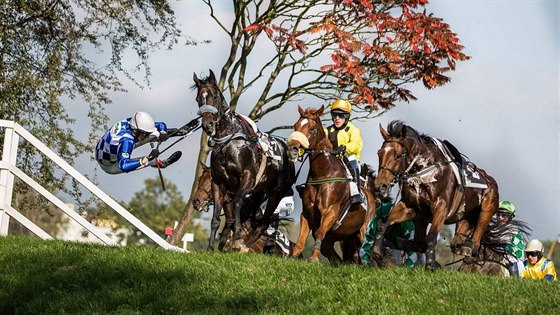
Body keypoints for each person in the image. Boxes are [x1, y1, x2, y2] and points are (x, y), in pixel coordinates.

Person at [95, 111, 196, 174]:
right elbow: (124, 166)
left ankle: (180, 131)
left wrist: (163, 132)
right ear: (137, 130)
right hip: (110, 166)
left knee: (155, 134)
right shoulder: (127, 141)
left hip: (110, 149)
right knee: (147, 161)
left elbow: (160, 124)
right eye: (145, 134)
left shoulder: (132, 122)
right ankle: (163, 164)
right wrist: (148, 158)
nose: (146, 136)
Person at [324, 99, 363, 204]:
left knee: (352, 160)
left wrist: (344, 147)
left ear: (346, 117)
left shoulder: (353, 130)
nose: (337, 119)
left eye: (340, 116)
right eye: (334, 115)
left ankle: (356, 192)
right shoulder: (327, 131)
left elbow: (356, 145)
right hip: (331, 160)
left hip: (347, 159)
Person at [495, 200, 526, 277]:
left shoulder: (514, 231)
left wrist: (503, 252)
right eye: (498, 214)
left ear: (510, 217)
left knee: (512, 262)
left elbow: (519, 252)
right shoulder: (493, 229)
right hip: (494, 257)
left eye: (503, 215)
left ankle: (515, 281)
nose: (500, 217)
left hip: (509, 259)